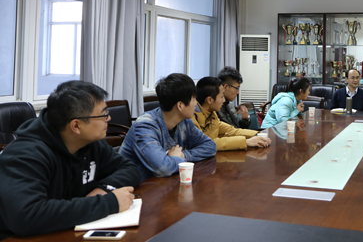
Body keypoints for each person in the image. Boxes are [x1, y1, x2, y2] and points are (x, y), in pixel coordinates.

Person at [0, 81, 140, 240]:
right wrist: (109, 203)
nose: (108, 118)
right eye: (103, 115)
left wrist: (102, 189)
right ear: (76, 126)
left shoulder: (90, 142)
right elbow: (26, 216)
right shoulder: (26, 155)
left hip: (67, 229)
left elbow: (129, 168)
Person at [120, 73, 217, 181]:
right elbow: (163, 168)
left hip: (164, 184)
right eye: (194, 99)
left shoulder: (184, 121)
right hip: (135, 187)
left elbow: (210, 146)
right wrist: (177, 159)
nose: (196, 104)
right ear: (180, 105)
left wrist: (183, 155)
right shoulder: (144, 127)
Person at [193, 77, 270, 151]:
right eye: (221, 96)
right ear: (209, 100)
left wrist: (258, 134)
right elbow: (206, 143)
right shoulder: (192, 118)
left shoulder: (211, 114)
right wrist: (245, 142)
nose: (223, 100)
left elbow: (231, 131)